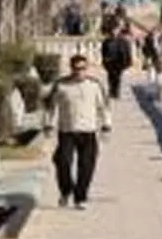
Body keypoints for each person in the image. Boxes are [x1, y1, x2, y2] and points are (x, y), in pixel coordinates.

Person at [43, 54, 111, 209]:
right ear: (71, 68)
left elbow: (104, 107)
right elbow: (51, 107)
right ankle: (66, 191)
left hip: (88, 131)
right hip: (67, 131)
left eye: (83, 68)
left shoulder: (94, 85)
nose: (80, 72)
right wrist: (48, 125)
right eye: (76, 68)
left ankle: (80, 198)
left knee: (87, 166)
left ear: (87, 69)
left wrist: (106, 125)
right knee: (63, 162)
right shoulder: (61, 85)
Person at [100, 24, 133, 100]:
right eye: (113, 30)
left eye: (116, 30)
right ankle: (112, 90)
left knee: (117, 77)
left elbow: (127, 51)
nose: (114, 32)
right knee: (110, 76)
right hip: (110, 62)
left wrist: (128, 61)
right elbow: (103, 52)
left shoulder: (123, 41)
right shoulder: (107, 41)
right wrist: (104, 60)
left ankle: (116, 91)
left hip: (119, 61)